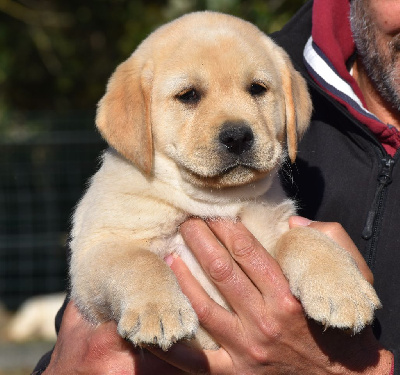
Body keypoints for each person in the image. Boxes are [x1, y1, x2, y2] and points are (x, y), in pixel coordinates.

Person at [33, 0, 400, 373]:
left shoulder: (272, 71)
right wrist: (141, 282)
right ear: (136, 115)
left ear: (291, 106)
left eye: (257, 89)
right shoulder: (127, 187)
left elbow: (280, 242)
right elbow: (97, 265)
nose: (236, 128)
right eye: (189, 95)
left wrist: (314, 259)